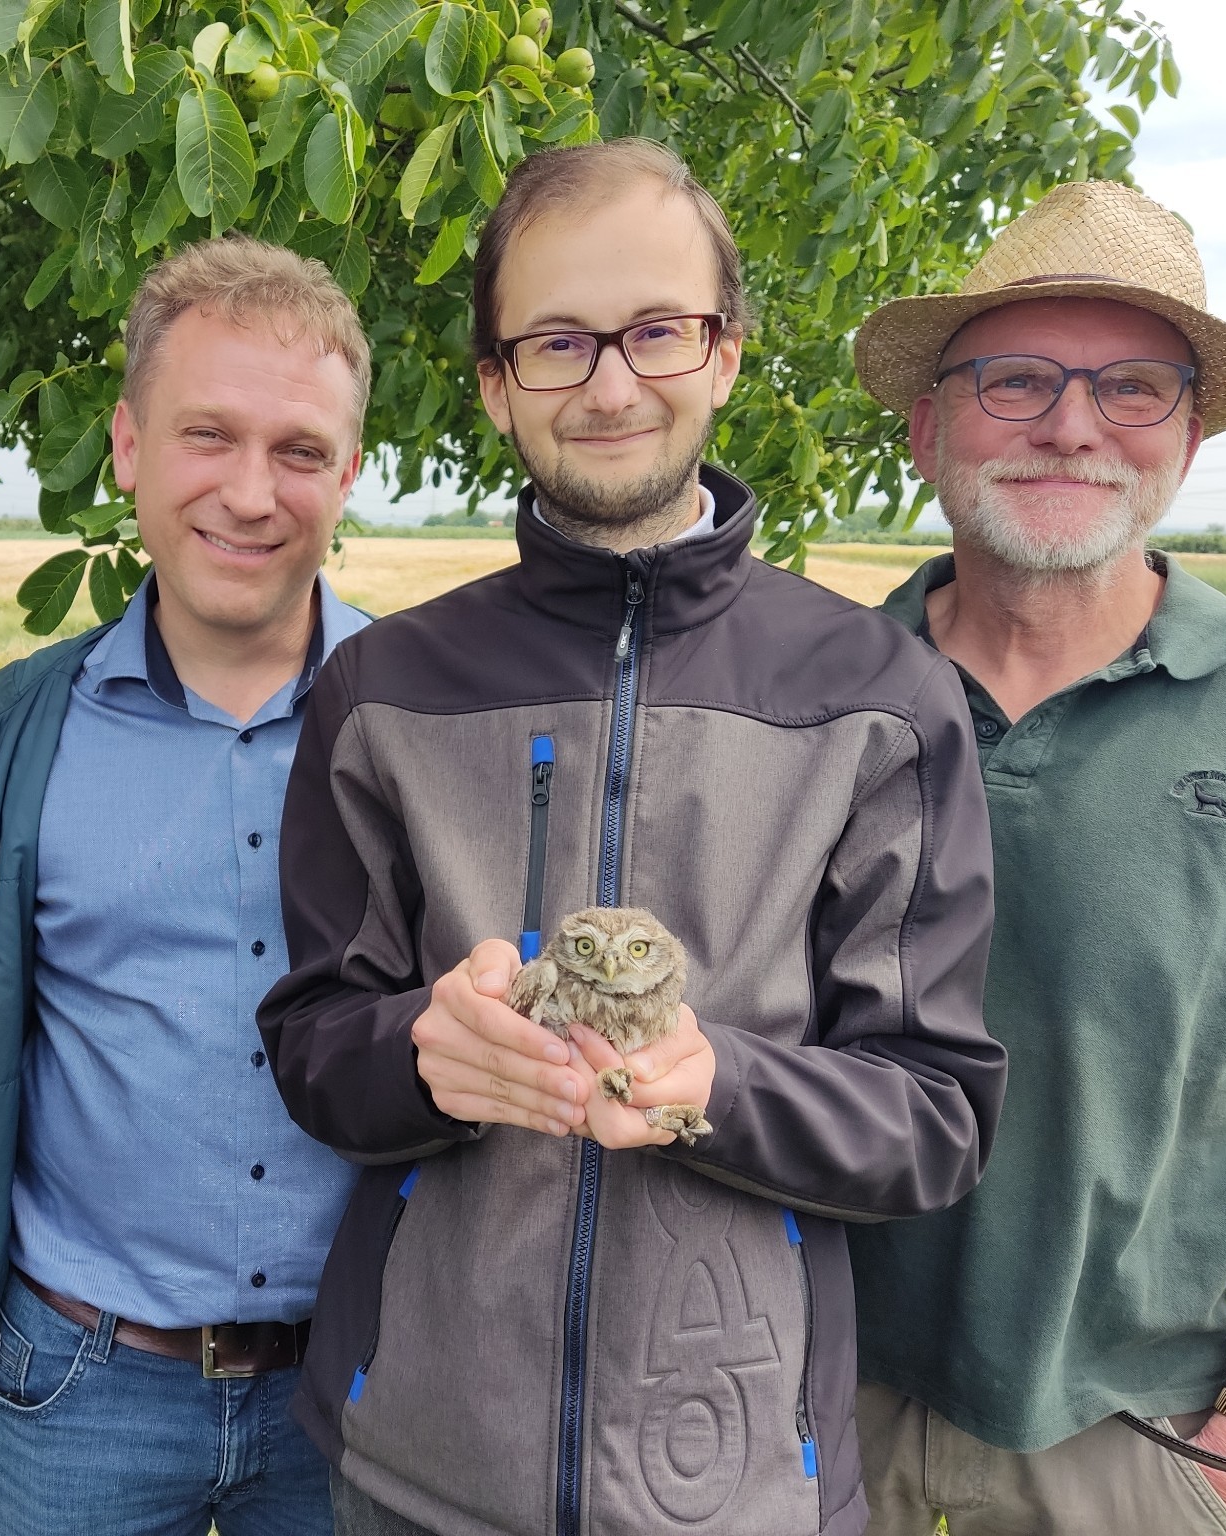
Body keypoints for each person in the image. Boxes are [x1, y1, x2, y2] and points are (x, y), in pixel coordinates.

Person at [257, 137, 1007, 1536]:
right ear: (494, 383)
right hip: (417, 1476)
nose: (610, 384)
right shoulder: (380, 693)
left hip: (740, 1491)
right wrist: (421, 1052)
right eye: (557, 341)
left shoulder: (881, 701)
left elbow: (937, 1118)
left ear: (726, 353)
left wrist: (718, 1085)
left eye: (658, 331)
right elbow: (312, 1048)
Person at [845, 180, 1226, 1534]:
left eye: (1133, 389)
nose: (1072, 426)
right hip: (807, 1401)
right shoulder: (815, 691)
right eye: (1014, 380)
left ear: (1188, 439)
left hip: (1131, 1434)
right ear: (928, 426)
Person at [0, 236, 372, 1533]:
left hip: (366, 1384)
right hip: (77, 1386)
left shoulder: (430, 722)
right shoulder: (2, 739)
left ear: (351, 471)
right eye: (206, 435)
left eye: (299, 451)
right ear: (128, 446)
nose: (250, 491)